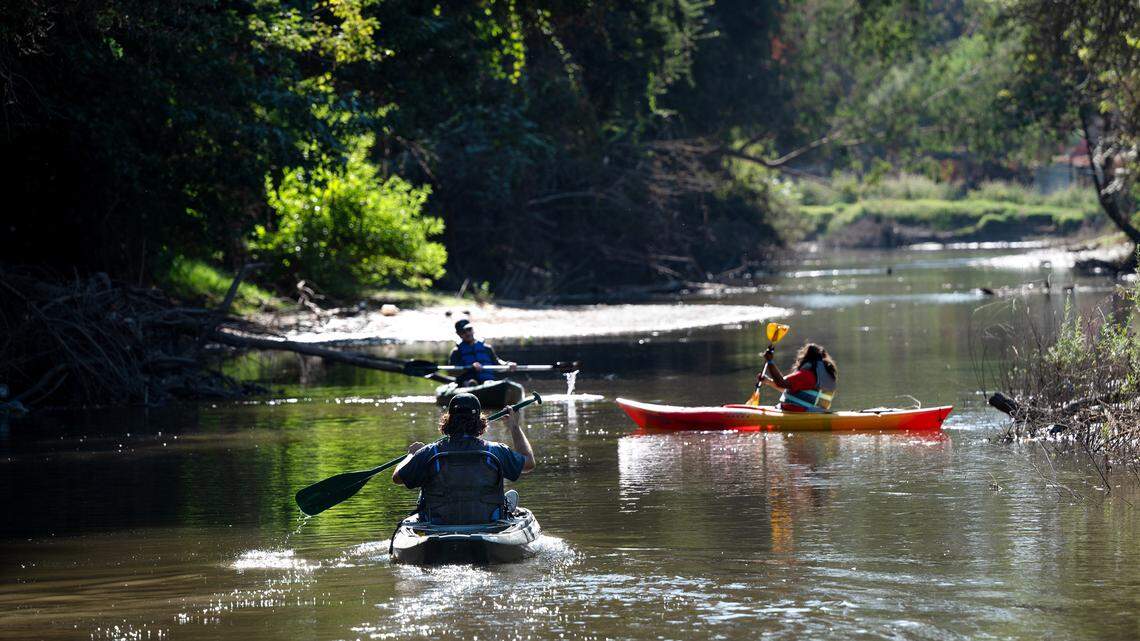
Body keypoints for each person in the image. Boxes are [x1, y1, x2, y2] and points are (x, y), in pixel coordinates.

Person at [391, 393, 535, 524]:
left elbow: (397, 478)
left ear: (449, 419)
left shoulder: (430, 451)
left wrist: (412, 455)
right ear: (479, 420)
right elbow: (529, 463)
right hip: (487, 523)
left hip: (438, 525)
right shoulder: (495, 450)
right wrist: (514, 427)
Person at [758, 342, 838, 413]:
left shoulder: (807, 375)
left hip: (799, 413)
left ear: (806, 358)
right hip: (818, 413)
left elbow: (780, 382)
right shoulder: (826, 375)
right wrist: (768, 381)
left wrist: (770, 361)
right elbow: (793, 390)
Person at [449, 318, 516, 386]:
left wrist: (507, 364)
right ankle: (472, 386)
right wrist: (469, 368)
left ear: (473, 329)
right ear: (458, 334)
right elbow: (451, 372)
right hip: (467, 382)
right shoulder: (456, 352)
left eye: (469, 329)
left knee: (489, 383)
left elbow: (497, 363)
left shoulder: (487, 348)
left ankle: (488, 386)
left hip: (487, 381)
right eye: (463, 332)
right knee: (469, 382)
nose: (467, 333)